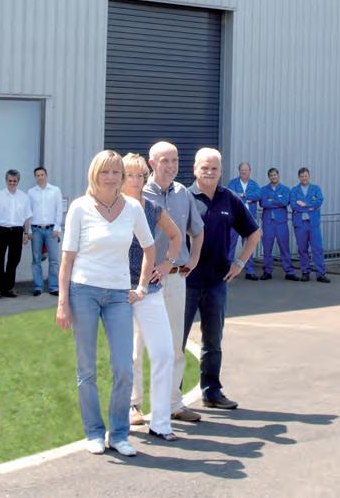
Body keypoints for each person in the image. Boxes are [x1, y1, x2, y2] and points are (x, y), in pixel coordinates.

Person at [56, 150, 155, 457]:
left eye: (116, 172)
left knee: (124, 368)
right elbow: (67, 259)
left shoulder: (133, 208)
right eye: (105, 172)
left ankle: (119, 433)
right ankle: (94, 432)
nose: (111, 177)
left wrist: (142, 287)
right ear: (94, 174)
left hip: (118, 296)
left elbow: (150, 249)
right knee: (86, 369)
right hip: (83, 292)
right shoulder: (80, 207)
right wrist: (62, 302)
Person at [186, 147, 262, 410]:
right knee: (176, 341)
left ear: (221, 171)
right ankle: (172, 399)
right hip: (185, 282)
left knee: (213, 342)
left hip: (217, 282)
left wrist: (240, 263)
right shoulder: (184, 198)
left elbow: (253, 233)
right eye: (204, 168)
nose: (209, 172)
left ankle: (212, 392)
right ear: (195, 169)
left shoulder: (229, 199)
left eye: (214, 168)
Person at [142, 141, 207, 423]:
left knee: (175, 342)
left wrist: (193, 258)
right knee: (137, 344)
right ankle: (134, 405)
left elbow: (197, 231)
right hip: (143, 279)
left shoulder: (183, 194)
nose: (171, 166)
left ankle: (173, 404)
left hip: (175, 278)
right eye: (165, 160)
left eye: (175, 160)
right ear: (151, 164)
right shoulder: (138, 192)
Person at [122, 153, 184, 441]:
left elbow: (176, 236)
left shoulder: (153, 208)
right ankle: (125, 414)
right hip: (119, 292)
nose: (135, 181)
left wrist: (167, 264)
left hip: (150, 289)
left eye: (140, 175)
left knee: (163, 353)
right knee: (126, 356)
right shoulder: (112, 208)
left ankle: (160, 422)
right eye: (129, 175)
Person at [0, 170, 31, 298]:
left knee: (14, 260)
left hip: (17, 231)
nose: (12, 183)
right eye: (10, 181)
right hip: (2, 230)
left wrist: (26, 233)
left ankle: (8, 288)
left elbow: (27, 217)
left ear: (18, 181)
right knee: (0, 259)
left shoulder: (24, 197)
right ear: (6, 180)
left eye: (15, 181)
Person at [27, 166, 64, 296]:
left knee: (54, 260)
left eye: (42, 175)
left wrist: (57, 228)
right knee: (36, 259)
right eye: (37, 175)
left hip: (51, 230)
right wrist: (28, 230)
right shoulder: (31, 192)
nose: (40, 177)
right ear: (35, 177)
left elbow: (59, 209)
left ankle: (54, 287)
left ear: (46, 176)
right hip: (36, 230)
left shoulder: (55, 191)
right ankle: (38, 287)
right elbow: (28, 212)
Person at [290, 167, 329, 282]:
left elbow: (319, 201)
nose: (304, 178)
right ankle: (305, 272)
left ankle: (320, 274)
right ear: (299, 177)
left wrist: (304, 205)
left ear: (309, 176)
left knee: (317, 249)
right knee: (302, 249)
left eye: (306, 176)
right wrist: (310, 207)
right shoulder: (294, 190)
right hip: (300, 224)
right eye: (302, 176)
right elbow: (293, 205)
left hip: (313, 224)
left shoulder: (316, 189)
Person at [257, 167, 296, 280]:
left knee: (284, 247)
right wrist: (276, 201)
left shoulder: (285, 189)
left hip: (281, 223)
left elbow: (285, 202)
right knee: (267, 247)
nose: (273, 177)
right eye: (271, 175)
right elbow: (263, 203)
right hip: (268, 223)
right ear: (269, 177)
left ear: (278, 176)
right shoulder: (264, 190)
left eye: (275, 175)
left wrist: (271, 200)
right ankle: (267, 271)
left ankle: (289, 272)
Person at [227, 161, 261, 279]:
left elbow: (258, 195)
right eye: (242, 171)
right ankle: (228, 269)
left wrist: (243, 196)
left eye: (246, 171)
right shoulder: (233, 183)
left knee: (248, 244)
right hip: (235, 219)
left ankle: (249, 271)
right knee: (231, 244)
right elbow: (231, 195)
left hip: (248, 219)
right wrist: (247, 198)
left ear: (250, 171)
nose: (244, 172)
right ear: (239, 171)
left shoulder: (254, 184)